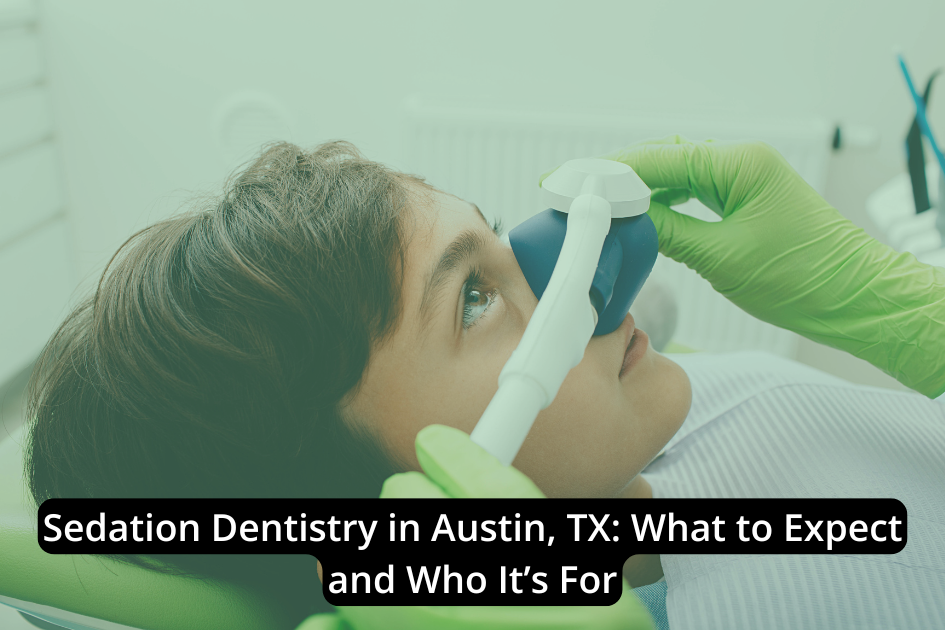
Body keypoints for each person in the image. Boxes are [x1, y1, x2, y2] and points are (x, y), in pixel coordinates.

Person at [23, 137, 945, 630]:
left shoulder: (662, 416)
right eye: (471, 300)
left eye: (498, 235)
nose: (576, 275)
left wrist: (911, 316)